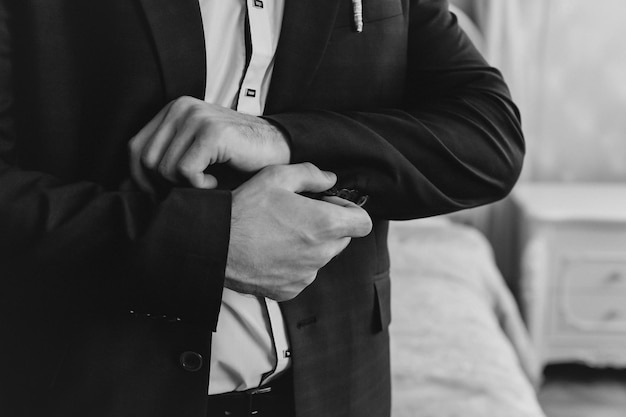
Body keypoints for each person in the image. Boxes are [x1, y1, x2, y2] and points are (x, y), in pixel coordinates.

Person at [0, 0, 524, 416]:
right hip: (86, 390)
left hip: (339, 390)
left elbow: (490, 138)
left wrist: (282, 138)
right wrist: (209, 246)